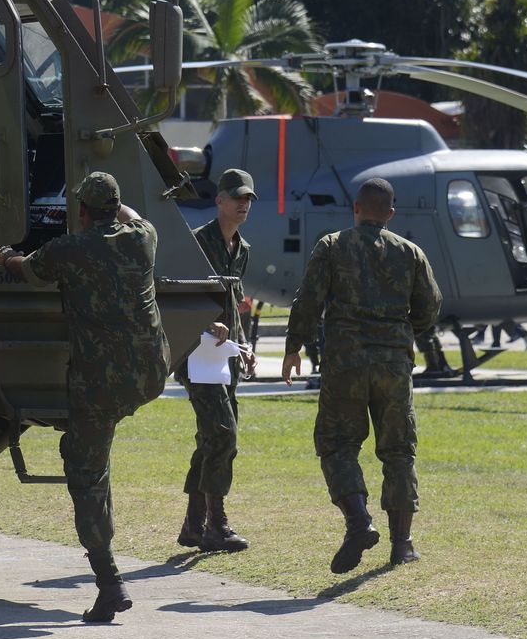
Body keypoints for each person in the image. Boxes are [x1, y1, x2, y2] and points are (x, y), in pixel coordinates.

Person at [0, 172, 171, 622]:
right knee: (96, 454)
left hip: (100, 384)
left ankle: (110, 583)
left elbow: (26, 270)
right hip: (149, 374)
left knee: (86, 471)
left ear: (82, 211)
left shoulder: (68, 249)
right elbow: (134, 216)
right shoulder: (143, 238)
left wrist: (7, 256)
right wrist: (116, 206)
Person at [281, 177, 442, 573]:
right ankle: (402, 544)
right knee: (398, 450)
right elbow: (430, 306)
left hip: (345, 363)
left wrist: (294, 345)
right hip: (393, 366)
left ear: (355, 209)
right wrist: (402, 335)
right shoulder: (410, 252)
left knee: (337, 444)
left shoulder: (332, 245)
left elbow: (309, 299)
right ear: (390, 214)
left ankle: (358, 522)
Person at [176, 168, 257, 554]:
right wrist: (208, 322)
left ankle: (194, 525)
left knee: (211, 438)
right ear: (219, 200)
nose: (243, 204)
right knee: (223, 434)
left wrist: (244, 346)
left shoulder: (242, 250)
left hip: (224, 360)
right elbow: (176, 294)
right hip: (196, 356)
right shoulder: (196, 243)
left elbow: (234, 307)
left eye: (248, 199)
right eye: (237, 197)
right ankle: (216, 525)